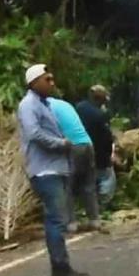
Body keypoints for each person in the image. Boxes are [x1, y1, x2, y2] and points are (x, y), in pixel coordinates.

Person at [17, 64, 90, 276]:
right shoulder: (28, 105)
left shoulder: (44, 105)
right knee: (56, 220)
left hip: (54, 168)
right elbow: (34, 134)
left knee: (58, 218)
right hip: (44, 170)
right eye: (47, 79)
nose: (52, 83)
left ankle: (62, 269)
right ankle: (60, 271)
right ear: (34, 82)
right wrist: (61, 144)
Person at [47, 96, 102, 232]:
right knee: (88, 185)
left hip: (73, 146)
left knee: (67, 186)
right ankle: (95, 220)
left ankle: (71, 223)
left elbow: (52, 131)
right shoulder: (64, 104)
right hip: (87, 143)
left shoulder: (45, 107)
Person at [75, 84, 117, 207]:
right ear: (101, 99)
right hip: (97, 152)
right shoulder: (100, 115)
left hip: (78, 149)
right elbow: (106, 138)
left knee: (87, 180)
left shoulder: (79, 107)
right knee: (107, 177)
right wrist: (110, 155)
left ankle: (86, 204)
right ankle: (103, 204)